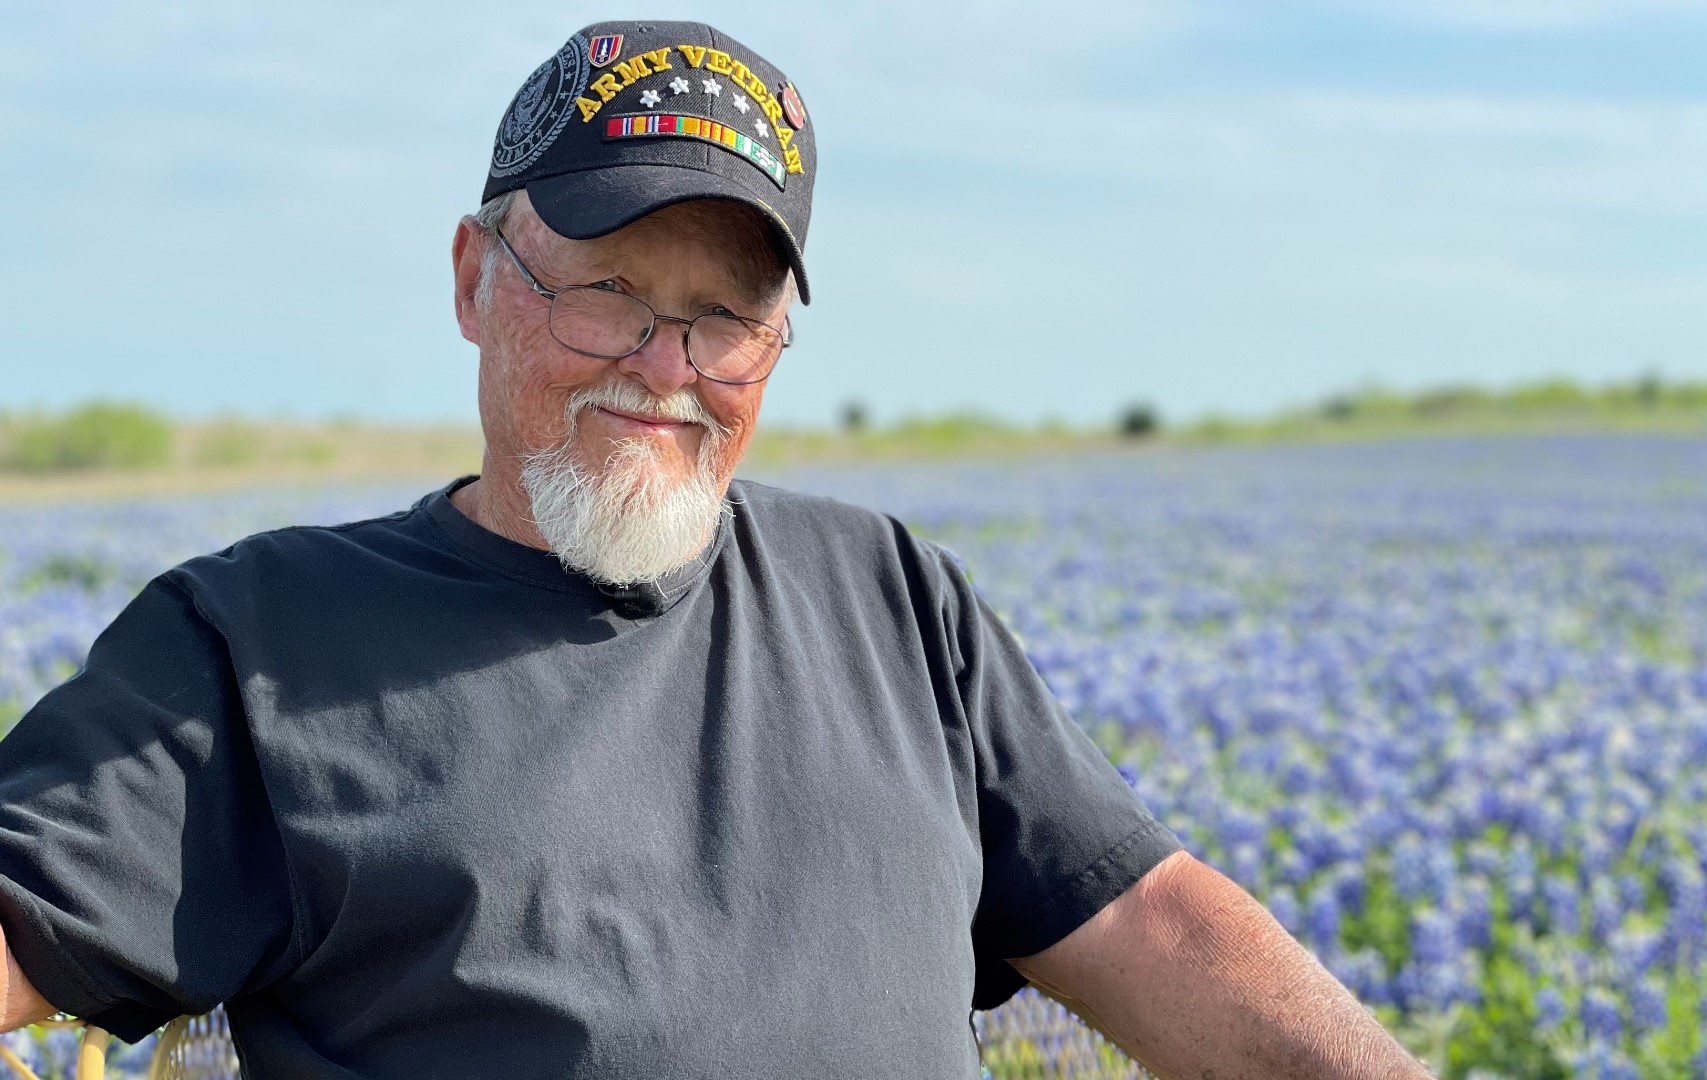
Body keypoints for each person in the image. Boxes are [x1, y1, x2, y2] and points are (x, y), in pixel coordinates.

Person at [0, 20, 1431, 1080]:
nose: (664, 364)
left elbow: (1153, 927)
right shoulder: (258, 644)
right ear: (471, 280)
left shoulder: (893, 601)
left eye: (727, 315)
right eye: (611, 288)